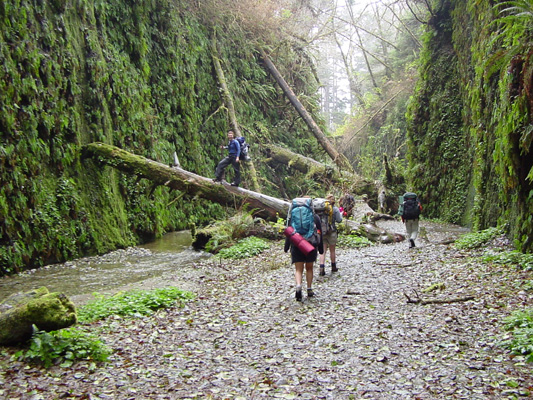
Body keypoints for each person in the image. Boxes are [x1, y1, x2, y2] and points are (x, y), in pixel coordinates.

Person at [284, 202, 324, 301]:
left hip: (296, 244)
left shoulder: (292, 215)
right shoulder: (314, 217)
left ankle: (298, 286)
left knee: (298, 269)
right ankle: (309, 289)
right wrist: (321, 248)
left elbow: (289, 231)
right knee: (309, 268)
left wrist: (287, 246)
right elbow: (319, 232)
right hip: (311, 244)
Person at [318, 194, 343, 276]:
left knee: (323, 251)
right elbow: (339, 220)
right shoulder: (335, 209)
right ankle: (333, 266)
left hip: (322, 232)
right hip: (332, 231)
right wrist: (341, 214)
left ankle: (321, 268)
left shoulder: (321, 209)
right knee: (332, 250)